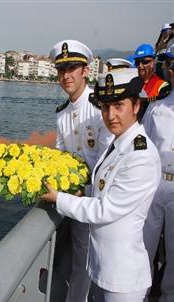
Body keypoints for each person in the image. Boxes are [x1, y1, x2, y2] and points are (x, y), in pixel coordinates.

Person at [42, 68, 161, 301]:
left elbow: (106, 209)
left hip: (123, 278)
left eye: (119, 106)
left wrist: (60, 199)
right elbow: (103, 190)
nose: (110, 115)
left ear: (136, 106)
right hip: (103, 267)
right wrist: (82, 191)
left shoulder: (140, 155)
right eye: (106, 107)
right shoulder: (117, 145)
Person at [49, 39, 113, 302]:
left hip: (94, 201)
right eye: (61, 70)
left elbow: (107, 158)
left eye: (72, 68)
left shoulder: (99, 108)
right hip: (71, 200)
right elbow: (60, 155)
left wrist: (81, 189)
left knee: (87, 264)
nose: (66, 75)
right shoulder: (62, 113)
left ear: (85, 71)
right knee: (77, 260)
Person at [143, 37, 174, 302]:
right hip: (156, 185)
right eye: (172, 66)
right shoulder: (156, 109)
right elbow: (145, 150)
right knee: (144, 245)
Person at [133, 43, 170, 119]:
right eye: (137, 62)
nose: (140, 65)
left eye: (144, 62)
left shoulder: (162, 86)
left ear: (153, 63)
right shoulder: (133, 85)